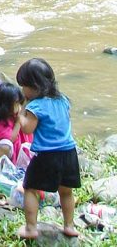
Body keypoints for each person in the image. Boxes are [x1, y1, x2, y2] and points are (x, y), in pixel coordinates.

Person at [15, 58, 80, 240]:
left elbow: (28, 128)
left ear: (34, 86)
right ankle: (69, 226)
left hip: (46, 155)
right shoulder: (63, 100)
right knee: (66, 191)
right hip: (69, 153)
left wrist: (21, 114)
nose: (22, 90)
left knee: (31, 189)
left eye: (24, 86)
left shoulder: (36, 106)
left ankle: (31, 229)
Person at [0, 83, 33, 165]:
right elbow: (10, 139)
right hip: (5, 149)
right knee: (6, 145)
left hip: (16, 147)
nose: (19, 106)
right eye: (16, 103)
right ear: (5, 105)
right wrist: (18, 122)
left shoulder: (13, 114)